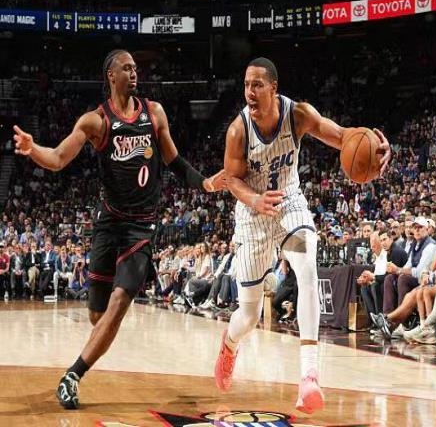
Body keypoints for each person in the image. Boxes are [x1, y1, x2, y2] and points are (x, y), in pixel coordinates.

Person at [13, 49, 226, 410]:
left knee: (121, 300)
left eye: (135, 68)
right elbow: (59, 159)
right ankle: (102, 333)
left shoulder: (154, 113)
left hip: (141, 227)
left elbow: (174, 161)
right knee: (98, 316)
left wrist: (204, 183)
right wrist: (33, 149)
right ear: (111, 75)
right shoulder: (96, 122)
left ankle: (72, 375)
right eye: (126, 68)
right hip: (108, 223)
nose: (134, 73)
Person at [214, 57, 391, 414]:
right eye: (246, 85)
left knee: (307, 267)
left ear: (273, 88)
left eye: (257, 84)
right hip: (252, 216)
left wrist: (376, 149)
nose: (249, 92)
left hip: (288, 204)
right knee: (248, 315)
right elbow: (231, 179)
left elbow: (343, 137)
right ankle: (229, 345)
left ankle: (309, 375)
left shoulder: (298, 115)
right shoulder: (238, 131)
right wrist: (254, 199)